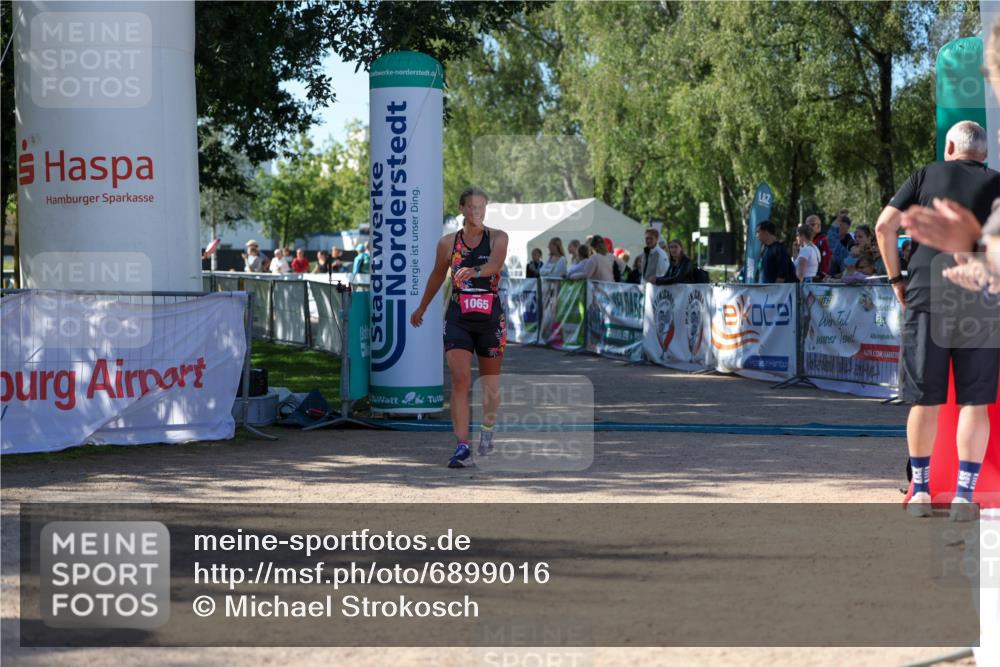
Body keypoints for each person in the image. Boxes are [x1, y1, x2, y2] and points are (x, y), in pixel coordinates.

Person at [875, 119, 1000, 521]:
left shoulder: (924, 175)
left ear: (949, 147)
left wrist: (897, 278)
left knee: (924, 399)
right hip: (980, 294)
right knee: (974, 401)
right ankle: (965, 497)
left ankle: (923, 492)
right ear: (984, 154)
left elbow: (883, 226)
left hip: (927, 290)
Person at [410, 187, 508, 469]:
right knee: (460, 379)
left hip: (491, 320)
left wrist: (475, 272)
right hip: (458, 319)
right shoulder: (447, 243)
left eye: (482, 207)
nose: (477, 212)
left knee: (490, 385)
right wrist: (422, 307)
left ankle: (487, 431)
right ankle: (462, 446)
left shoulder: (498, 237)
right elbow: (437, 276)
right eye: (472, 207)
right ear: (462, 209)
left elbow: (495, 263)